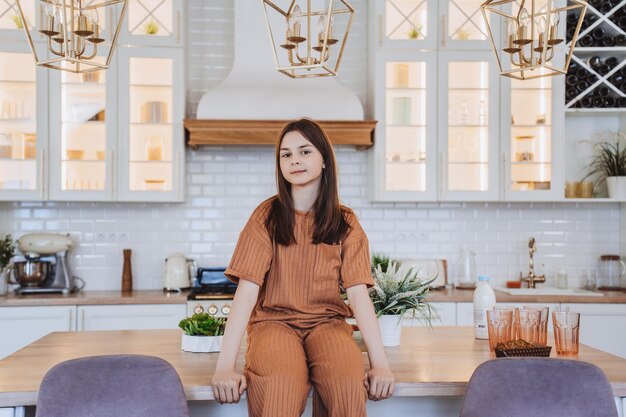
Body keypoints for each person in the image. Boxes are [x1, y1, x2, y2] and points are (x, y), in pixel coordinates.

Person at [211, 118, 395, 417]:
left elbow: (359, 294)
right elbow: (246, 292)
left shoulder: (346, 222)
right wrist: (224, 368)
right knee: (281, 385)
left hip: (328, 325)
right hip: (274, 324)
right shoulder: (265, 217)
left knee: (348, 383)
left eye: (304, 151)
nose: (294, 159)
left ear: (324, 159)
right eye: (286, 154)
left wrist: (381, 365)